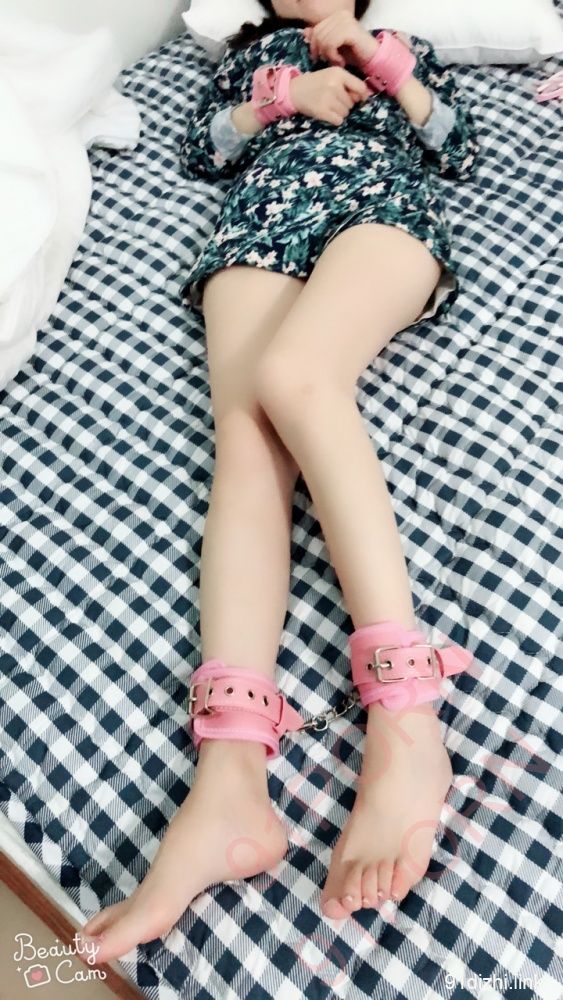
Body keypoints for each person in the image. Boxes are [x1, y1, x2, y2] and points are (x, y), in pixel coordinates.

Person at [80, 0, 479, 964]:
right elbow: (202, 150)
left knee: (299, 378)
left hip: (378, 213)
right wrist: (281, 98)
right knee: (246, 442)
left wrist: (381, 64)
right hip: (258, 227)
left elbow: (455, 146)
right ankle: (228, 782)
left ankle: (406, 718)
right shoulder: (246, 56)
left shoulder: (402, 47)